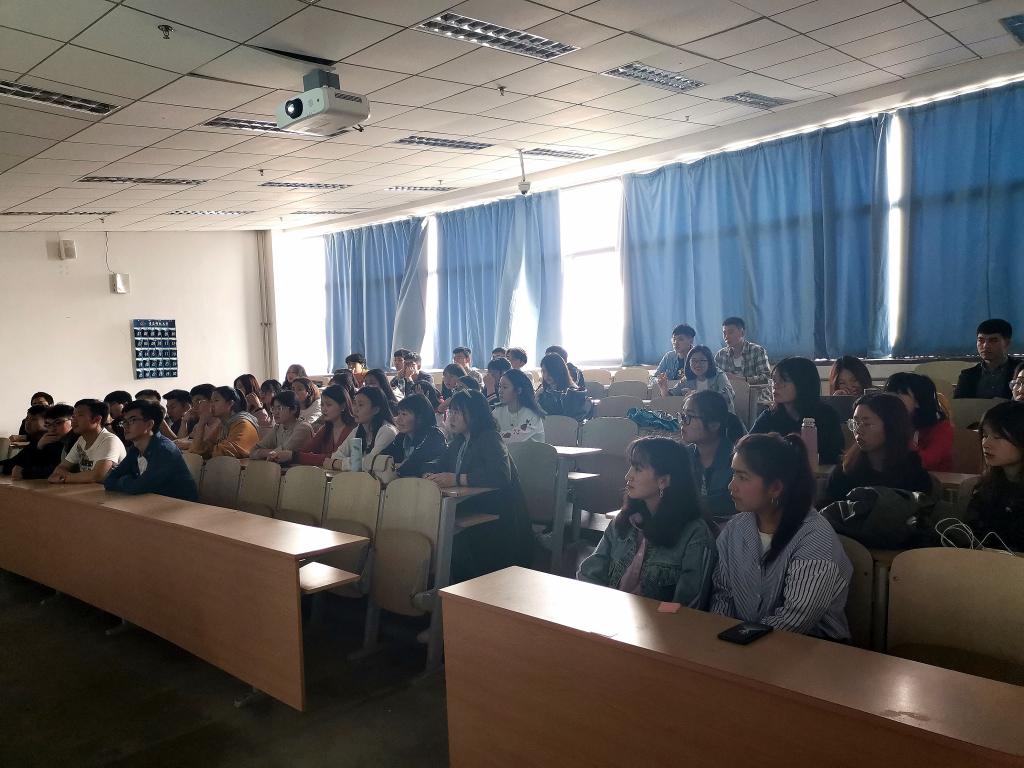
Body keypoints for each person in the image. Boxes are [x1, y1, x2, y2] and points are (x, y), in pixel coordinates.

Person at [711, 433, 852, 640]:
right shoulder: (734, 530)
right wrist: (720, 639)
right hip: (743, 646)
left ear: (775, 488)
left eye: (743, 477)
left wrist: (739, 641)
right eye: (733, 474)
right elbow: (723, 595)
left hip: (811, 649)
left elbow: (795, 619)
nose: (731, 486)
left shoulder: (815, 537)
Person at [578, 437, 717, 606]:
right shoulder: (624, 521)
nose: (628, 476)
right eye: (630, 467)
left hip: (660, 622)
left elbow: (688, 605)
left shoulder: (695, 534)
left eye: (638, 469)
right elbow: (588, 574)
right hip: (610, 614)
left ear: (663, 481)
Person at [423, 390, 533, 581]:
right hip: (468, 506)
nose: (452, 417)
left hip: (495, 514)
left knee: (451, 539)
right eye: (451, 411)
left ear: (474, 414)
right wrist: (429, 473)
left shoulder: (490, 438)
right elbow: (440, 464)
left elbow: (499, 475)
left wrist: (457, 479)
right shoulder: (459, 441)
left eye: (458, 412)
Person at [819, 393, 933, 506]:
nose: (858, 430)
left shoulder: (914, 474)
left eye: (867, 424)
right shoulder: (845, 471)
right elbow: (828, 511)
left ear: (891, 426)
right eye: (855, 423)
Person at [750, 357, 844, 466]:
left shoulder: (827, 416)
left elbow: (834, 456)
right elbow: (747, 448)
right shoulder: (769, 416)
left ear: (802, 383)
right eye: (774, 380)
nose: (775, 386)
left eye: (784, 381)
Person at [103, 400, 198, 501]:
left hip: (180, 506)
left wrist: (124, 479)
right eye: (124, 421)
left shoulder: (164, 450)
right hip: (151, 502)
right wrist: (129, 481)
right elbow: (109, 480)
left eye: (132, 420)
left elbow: (138, 487)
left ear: (149, 425)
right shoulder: (135, 448)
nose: (125, 426)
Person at [680, 391, 745, 527]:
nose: (683, 422)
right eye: (683, 415)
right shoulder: (683, 456)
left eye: (689, 416)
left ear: (714, 424)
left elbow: (735, 506)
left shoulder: (738, 460)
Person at [964, 401, 1024, 550]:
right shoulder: (986, 487)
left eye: (997, 437)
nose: (986, 444)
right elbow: (971, 535)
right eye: (984, 435)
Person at [884, 372, 953, 472]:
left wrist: (900, 431)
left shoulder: (942, 428)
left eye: (898, 394)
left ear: (918, 401)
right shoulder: (883, 423)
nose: (889, 401)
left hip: (932, 479)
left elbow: (925, 462)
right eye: (888, 394)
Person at [48, 399, 127, 484]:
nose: (73, 420)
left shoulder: (109, 440)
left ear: (96, 419)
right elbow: (62, 467)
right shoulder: (81, 440)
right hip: (91, 489)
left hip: (112, 491)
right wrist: (62, 475)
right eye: (73, 416)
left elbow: (97, 476)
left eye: (80, 415)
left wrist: (63, 478)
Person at [326, 387, 398, 471]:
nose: (355, 409)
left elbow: (372, 463)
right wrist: (342, 463)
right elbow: (337, 455)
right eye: (354, 404)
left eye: (360, 405)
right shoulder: (358, 429)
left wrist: (339, 464)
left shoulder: (387, 431)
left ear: (376, 410)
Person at [288, 384, 357, 467]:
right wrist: (292, 455)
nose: (324, 409)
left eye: (329, 405)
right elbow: (306, 450)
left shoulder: (353, 429)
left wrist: (294, 456)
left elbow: (335, 458)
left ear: (343, 406)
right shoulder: (326, 428)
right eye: (322, 405)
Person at [3, 404, 76, 479]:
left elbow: (61, 469)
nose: (52, 428)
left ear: (73, 421)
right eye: (49, 424)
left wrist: (24, 473)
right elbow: (14, 464)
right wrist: (38, 447)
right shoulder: (45, 440)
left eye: (58, 423)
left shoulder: (73, 440)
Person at [381, 393, 447, 477]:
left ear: (420, 418)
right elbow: (383, 457)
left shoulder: (434, 437)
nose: (398, 420)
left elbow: (412, 466)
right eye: (398, 413)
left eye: (404, 414)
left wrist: (397, 466)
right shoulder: (402, 436)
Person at [658, 344, 736, 413]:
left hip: (720, 418)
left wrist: (698, 395)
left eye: (702, 360)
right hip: (696, 421)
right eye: (694, 361)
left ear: (709, 362)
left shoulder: (719, 375)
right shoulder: (687, 379)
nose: (698, 364)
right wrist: (664, 389)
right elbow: (671, 398)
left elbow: (728, 396)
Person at [956, 319, 1021, 399]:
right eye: (981, 340)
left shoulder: (1021, 371)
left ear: (1007, 343)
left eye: (993, 341)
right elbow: (960, 404)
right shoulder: (968, 375)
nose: (985, 346)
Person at [189, 386, 260, 459]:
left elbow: (226, 453)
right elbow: (198, 450)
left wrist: (206, 450)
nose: (212, 405)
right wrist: (201, 423)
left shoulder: (243, 423)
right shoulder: (223, 425)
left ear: (230, 403)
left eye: (216, 400)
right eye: (211, 401)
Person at [250, 390, 315, 461]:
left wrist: (264, 453)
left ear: (294, 409)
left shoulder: (303, 428)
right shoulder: (278, 427)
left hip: (298, 468)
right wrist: (271, 453)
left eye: (279, 408)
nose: (275, 412)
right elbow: (253, 451)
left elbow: (281, 455)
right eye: (273, 409)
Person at [494, 369, 545, 443]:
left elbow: (513, 439)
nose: (500, 391)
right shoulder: (498, 411)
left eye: (505, 387)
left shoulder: (532, 415)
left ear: (519, 390)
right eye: (499, 386)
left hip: (531, 451)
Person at [537, 352, 592, 421]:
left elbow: (574, 420)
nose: (546, 375)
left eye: (550, 371)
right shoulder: (542, 392)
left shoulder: (574, 393)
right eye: (544, 371)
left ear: (559, 370)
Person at [714, 317, 770, 385]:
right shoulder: (720, 355)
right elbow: (713, 380)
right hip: (729, 392)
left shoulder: (757, 351)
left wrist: (739, 379)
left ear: (742, 333)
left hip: (753, 391)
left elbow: (766, 378)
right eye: (724, 333)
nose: (726, 337)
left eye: (730, 332)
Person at [180, 383, 215, 448]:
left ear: (212, 401)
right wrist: (184, 422)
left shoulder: (221, 425)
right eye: (193, 403)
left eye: (199, 401)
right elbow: (181, 442)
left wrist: (190, 444)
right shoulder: (198, 426)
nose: (194, 407)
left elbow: (216, 448)